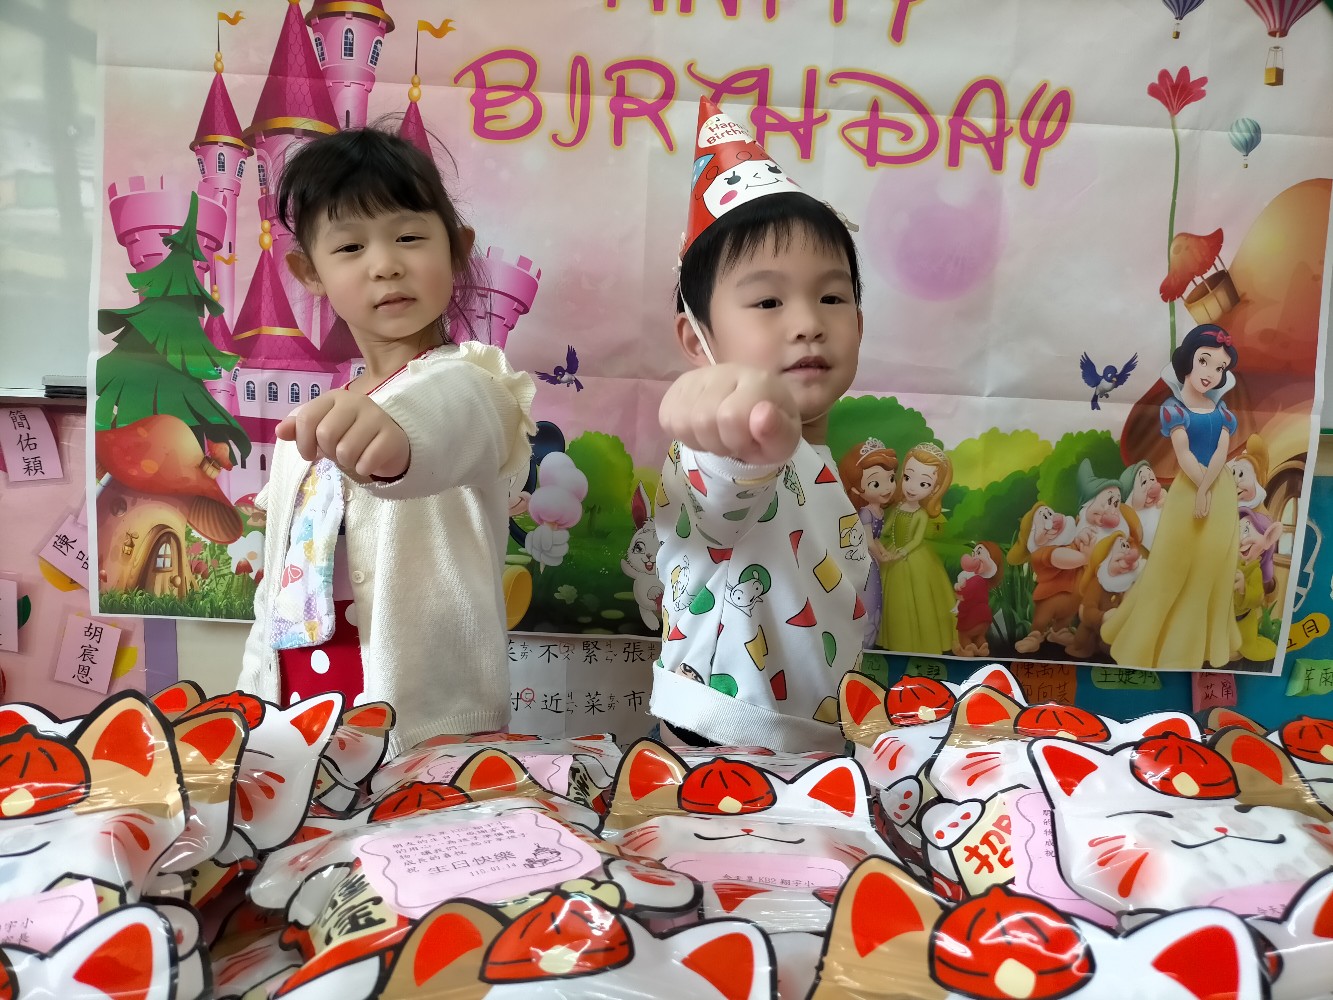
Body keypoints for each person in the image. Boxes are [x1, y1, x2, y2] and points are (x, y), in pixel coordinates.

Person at [237, 127, 536, 755]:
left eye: (409, 237)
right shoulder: (309, 429)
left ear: (457, 250)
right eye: (350, 246)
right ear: (309, 272)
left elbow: (444, 419)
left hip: (426, 724)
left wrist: (398, 440)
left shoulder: (479, 386)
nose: (385, 265)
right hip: (296, 716)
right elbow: (274, 591)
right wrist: (253, 702)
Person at [650, 99, 869, 752]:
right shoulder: (726, 446)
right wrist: (734, 427)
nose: (807, 322)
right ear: (695, 338)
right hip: (720, 742)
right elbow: (725, 481)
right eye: (768, 300)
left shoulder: (818, 459)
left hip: (814, 743)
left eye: (832, 296)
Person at [1101, 324, 1241, 669]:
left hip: (1219, 491)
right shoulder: (1173, 409)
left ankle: (1202, 643)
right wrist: (1200, 489)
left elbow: (1222, 451)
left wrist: (1207, 490)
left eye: (1220, 367)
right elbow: (1184, 453)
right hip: (1187, 490)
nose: (1210, 373)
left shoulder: (1223, 412)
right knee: (1171, 564)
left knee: (1212, 565)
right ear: (1187, 360)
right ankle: (1150, 640)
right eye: (1204, 361)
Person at [876, 443, 957, 654]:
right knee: (892, 600)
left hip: (912, 557)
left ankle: (920, 642)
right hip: (892, 553)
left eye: (923, 483)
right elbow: (887, 529)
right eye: (907, 477)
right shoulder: (898, 508)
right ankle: (892, 640)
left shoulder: (921, 514)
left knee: (920, 601)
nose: (912, 487)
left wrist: (902, 552)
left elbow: (916, 540)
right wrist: (876, 538)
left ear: (935, 488)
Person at [838, 439, 897, 650]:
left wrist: (884, 552)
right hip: (865, 563)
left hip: (874, 562)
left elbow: (877, 540)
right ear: (856, 488)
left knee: (875, 598)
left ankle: (869, 642)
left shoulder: (878, 510)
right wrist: (882, 556)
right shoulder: (865, 512)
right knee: (868, 598)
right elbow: (869, 542)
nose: (887, 488)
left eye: (891, 479)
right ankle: (862, 643)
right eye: (876, 484)